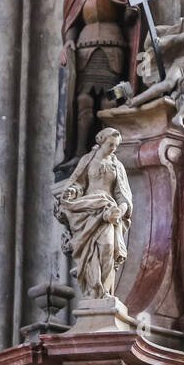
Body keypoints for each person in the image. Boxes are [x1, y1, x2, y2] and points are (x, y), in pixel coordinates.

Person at [58, 0, 140, 174]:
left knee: (110, 98)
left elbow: (133, 12)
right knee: (83, 100)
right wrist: (68, 39)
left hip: (113, 45)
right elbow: (70, 19)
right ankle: (79, 152)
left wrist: (130, 14)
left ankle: (108, 151)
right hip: (84, 47)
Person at [56, 127, 132, 299]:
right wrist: (72, 192)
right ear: (102, 141)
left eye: (116, 146)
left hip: (108, 211)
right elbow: (78, 184)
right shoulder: (88, 160)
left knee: (108, 248)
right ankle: (94, 290)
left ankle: (104, 290)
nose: (113, 148)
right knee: (90, 252)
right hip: (88, 209)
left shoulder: (117, 166)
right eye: (111, 144)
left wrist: (121, 210)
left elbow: (123, 195)